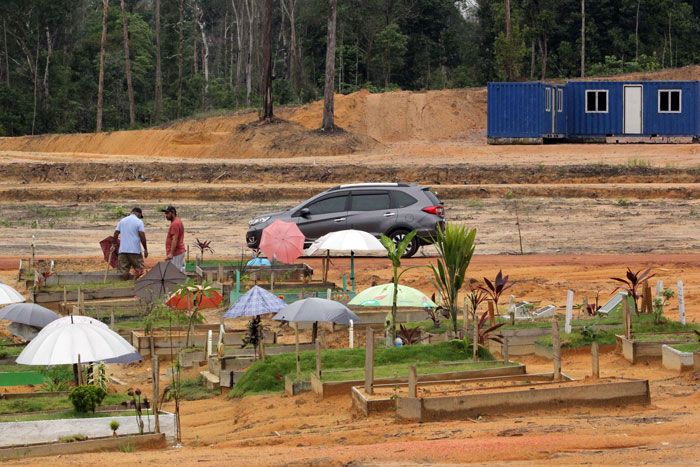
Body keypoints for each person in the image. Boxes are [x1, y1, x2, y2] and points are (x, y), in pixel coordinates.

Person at [113, 207, 148, 280]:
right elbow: (142, 236)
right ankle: (135, 283)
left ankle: (126, 285)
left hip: (123, 250)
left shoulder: (122, 221)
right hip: (135, 250)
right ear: (138, 214)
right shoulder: (139, 222)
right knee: (139, 269)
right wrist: (145, 249)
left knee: (125, 270)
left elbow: (116, 233)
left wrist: (113, 245)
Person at [162, 205, 186, 272]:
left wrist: (171, 254)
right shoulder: (178, 221)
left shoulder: (175, 224)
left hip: (176, 253)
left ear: (173, 213)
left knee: (174, 272)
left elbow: (174, 239)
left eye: (167, 213)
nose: (166, 215)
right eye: (165, 213)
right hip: (178, 251)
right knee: (179, 271)